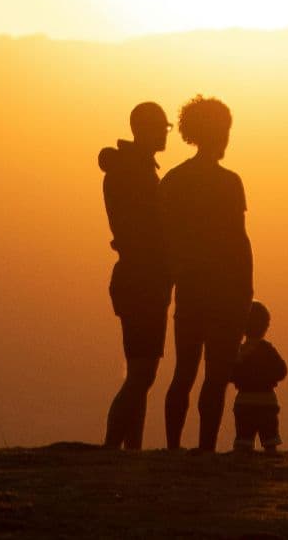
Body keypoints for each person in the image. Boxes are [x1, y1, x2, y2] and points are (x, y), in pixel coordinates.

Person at [160, 95, 253, 451]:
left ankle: (173, 448)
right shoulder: (230, 182)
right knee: (215, 376)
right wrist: (246, 289)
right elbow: (238, 239)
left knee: (184, 372)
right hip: (226, 289)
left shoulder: (173, 181)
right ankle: (206, 448)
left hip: (190, 286)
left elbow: (165, 237)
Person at [97, 101, 173, 450]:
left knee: (141, 373)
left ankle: (131, 450)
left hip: (141, 277)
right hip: (143, 278)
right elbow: (148, 229)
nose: (165, 133)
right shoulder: (134, 173)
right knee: (142, 373)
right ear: (143, 129)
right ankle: (113, 449)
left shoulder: (132, 169)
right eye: (161, 127)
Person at [230, 300, 288, 454]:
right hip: (267, 400)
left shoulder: (239, 351)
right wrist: (268, 378)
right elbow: (282, 371)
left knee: (243, 438)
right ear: (265, 326)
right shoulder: (268, 350)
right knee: (270, 439)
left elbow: (230, 374)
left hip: (244, 400)